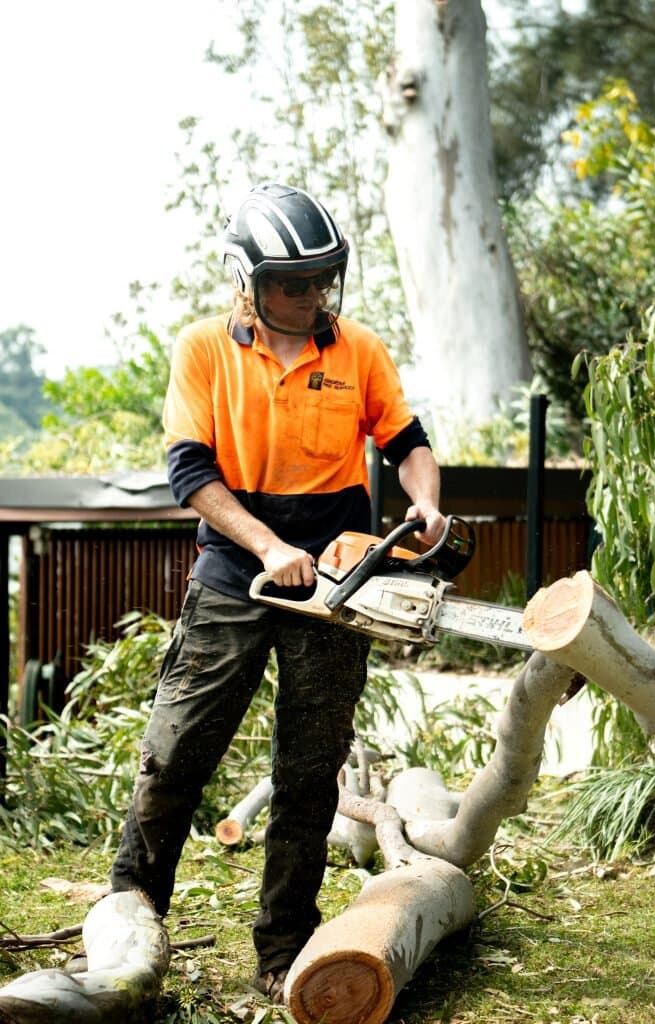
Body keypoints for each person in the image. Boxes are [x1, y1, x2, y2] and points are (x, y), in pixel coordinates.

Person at [110, 182, 445, 1001]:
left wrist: (426, 500)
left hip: (335, 574)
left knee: (309, 765)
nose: (309, 296)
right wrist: (266, 545)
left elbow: (407, 441)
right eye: (292, 283)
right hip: (236, 565)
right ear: (247, 281)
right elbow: (190, 471)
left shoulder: (357, 349)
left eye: (321, 279)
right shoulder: (202, 349)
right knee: (178, 748)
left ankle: (283, 943)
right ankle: (129, 916)